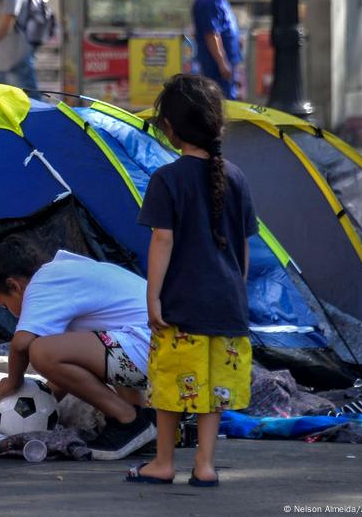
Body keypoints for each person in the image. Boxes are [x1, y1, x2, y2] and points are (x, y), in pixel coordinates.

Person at [128, 74, 257, 487]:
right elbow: (244, 248)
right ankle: (204, 465)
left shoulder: (167, 179)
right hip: (227, 306)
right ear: (218, 124)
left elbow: (162, 241)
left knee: (172, 387)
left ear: (169, 128)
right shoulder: (236, 177)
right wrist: (237, 290)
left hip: (182, 306)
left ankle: (163, 462)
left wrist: (153, 300)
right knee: (213, 393)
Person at [0, 237, 156, 461]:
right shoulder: (66, 274)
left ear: (14, 285)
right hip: (161, 348)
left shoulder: (42, 283)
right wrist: (38, 400)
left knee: (40, 350)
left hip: (147, 345)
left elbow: (21, 345)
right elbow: (69, 372)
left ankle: (129, 419)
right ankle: (141, 426)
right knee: (70, 348)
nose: (11, 314)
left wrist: (13, 382)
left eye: (5, 306)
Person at [191, 0, 243, 100]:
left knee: (229, 94)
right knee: (220, 97)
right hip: (215, 64)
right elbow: (211, 34)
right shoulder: (207, 1)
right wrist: (222, 63)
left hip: (228, 58)